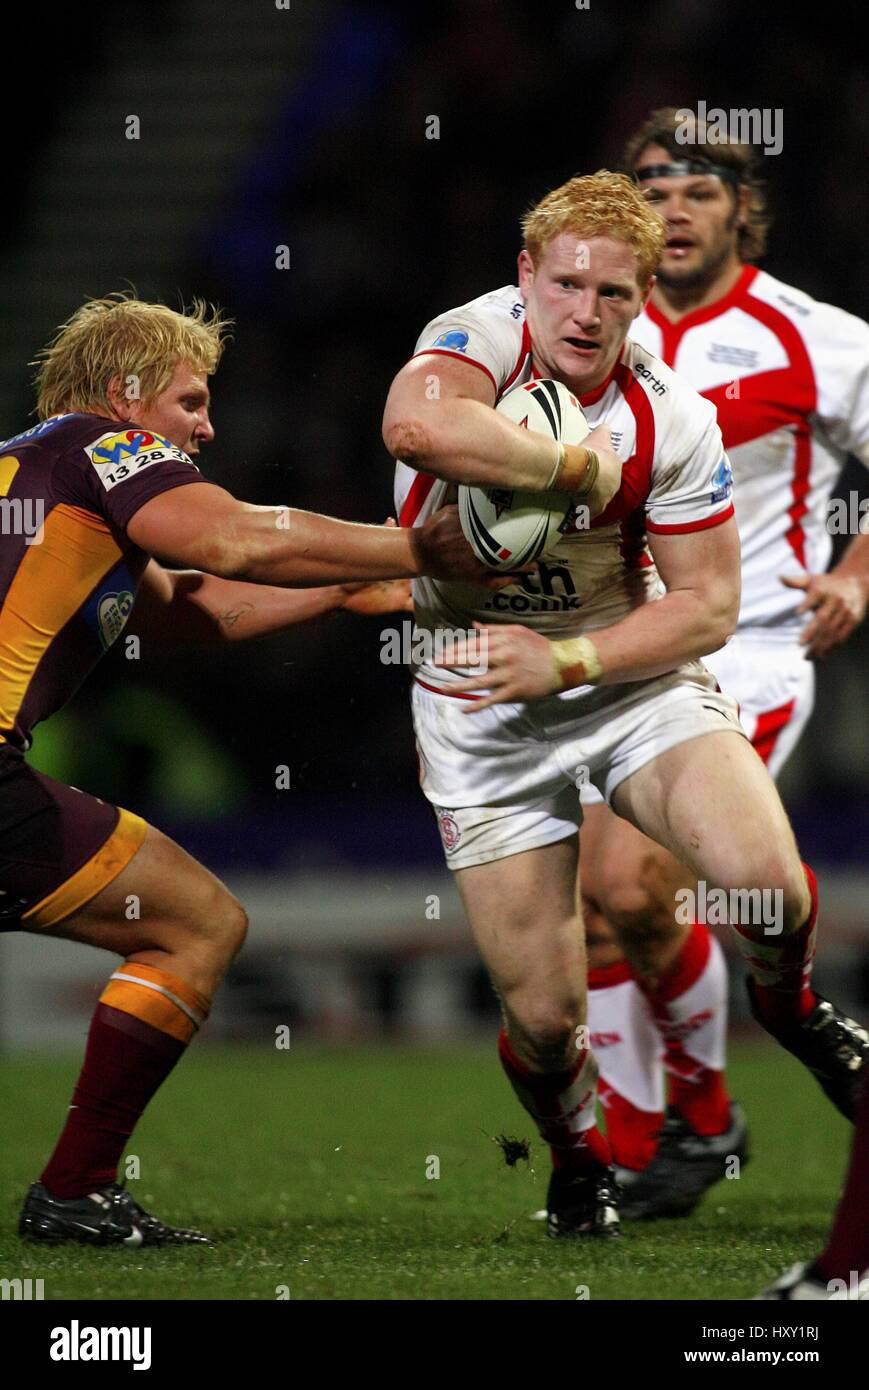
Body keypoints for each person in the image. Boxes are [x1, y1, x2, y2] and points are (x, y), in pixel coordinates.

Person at [383, 170, 867, 1239]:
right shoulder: (471, 339)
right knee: (546, 1021)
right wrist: (573, 472)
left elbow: (703, 611)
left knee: (763, 885)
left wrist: (569, 662)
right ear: (525, 276)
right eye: (564, 285)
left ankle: (790, 1009)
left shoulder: (672, 414)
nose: (584, 313)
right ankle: (575, 1160)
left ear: (643, 298)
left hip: (621, 678)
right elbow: (417, 432)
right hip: (477, 701)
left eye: (612, 294)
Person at [6, 292, 497, 1247]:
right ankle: (75, 1191)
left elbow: (200, 608)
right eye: (190, 401)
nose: (205, 424)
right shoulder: (106, 447)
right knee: (195, 926)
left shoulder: (40, 473)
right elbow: (234, 537)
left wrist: (348, 586)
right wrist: (416, 547)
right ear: (128, 394)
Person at [573, 109, 869, 1219]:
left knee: (624, 882)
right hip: (609, 641)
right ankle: (684, 1128)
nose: (673, 209)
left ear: (743, 206)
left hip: (746, 646)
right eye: (651, 188)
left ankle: (741, 1058)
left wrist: (852, 576)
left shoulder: (817, 335)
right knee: (608, 908)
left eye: (698, 189)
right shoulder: (581, 326)